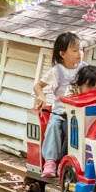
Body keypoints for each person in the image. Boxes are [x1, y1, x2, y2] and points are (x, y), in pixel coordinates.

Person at [33, 32, 86, 177]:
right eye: (75, 50)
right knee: (53, 125)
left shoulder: (85, 68)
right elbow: (38, 85)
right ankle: (50, 161)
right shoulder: (56, 71)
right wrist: (41, 96)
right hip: (61, 110)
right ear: (62, 53)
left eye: (81, 49)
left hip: (81, 110)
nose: (79, 53)